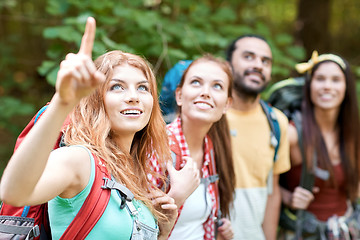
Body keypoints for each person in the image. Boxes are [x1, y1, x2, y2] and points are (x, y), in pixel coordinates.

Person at [0, 17, 177, 239]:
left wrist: (163, 232)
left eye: (143, 88)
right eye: (117, 87)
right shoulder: (80, 159)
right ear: (95, 101)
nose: (133, 97)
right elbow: (14, 193)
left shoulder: (135, 174)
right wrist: (62, 104)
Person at [279, 51, 360, 238]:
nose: (327, 86)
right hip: (303, 233)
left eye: (336, 80)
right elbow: (264, 184)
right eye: (320, 79)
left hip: (346, 232)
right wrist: (288, 197)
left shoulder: (353, 136)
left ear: (347, 87)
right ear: (309, 86)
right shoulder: (292, 134)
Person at [225, 35, 290, 240]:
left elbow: (272, 192)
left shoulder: (277, 122)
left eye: (265, 61)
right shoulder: (210, 117)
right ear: (228, 65)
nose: (258, 65)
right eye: (248, 57)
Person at [164, 54, 235, 240]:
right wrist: (176, 197)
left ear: (227, 104)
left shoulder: (212, 149)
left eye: (217, 86)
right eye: (196, 82)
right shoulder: (157, 147)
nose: (206, 92)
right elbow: (135, 226)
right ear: (179, 96)